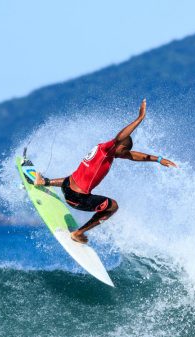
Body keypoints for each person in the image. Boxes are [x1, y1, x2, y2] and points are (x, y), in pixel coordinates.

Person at [34, 99, 177, 244]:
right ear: (120, 147)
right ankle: (78, 233)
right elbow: (120, 138)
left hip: (66, 187)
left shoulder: (102, 150)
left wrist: (158, 159)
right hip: (77, 199)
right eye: (124, 151)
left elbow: (133, 156)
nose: (124, 155)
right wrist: (139, 118)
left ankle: (44, 181)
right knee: (113, 206)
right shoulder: (108, 148)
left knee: (76, 177)